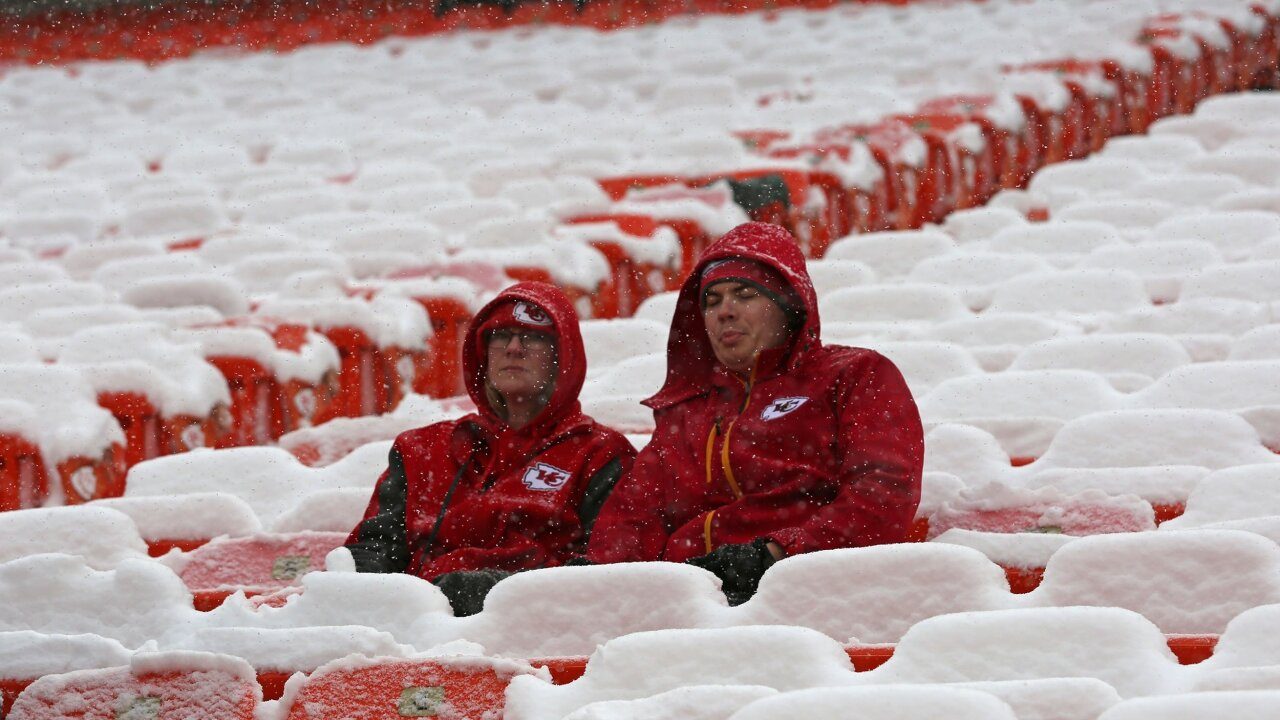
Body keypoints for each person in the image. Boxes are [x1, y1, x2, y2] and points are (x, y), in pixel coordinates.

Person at [586, 222, 924, 605]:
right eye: (711, 301)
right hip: (687, 600)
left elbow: (883, 495)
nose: (725, 312)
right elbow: (634, 513)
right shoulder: (689, 410)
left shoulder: (855, 376)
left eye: (744, 295)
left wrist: (776, 555)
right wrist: (603, 575)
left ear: (787, 306)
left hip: (812, 592)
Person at [344, 282, 636, 615]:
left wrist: (489, 591)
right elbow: (373, 550)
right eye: (500, 336)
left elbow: (607, 571)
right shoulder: (421, 449)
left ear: (563, 356)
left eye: (533, 337)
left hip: (529, 632)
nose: (513, 348)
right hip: (414, 630)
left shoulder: (601, 454)